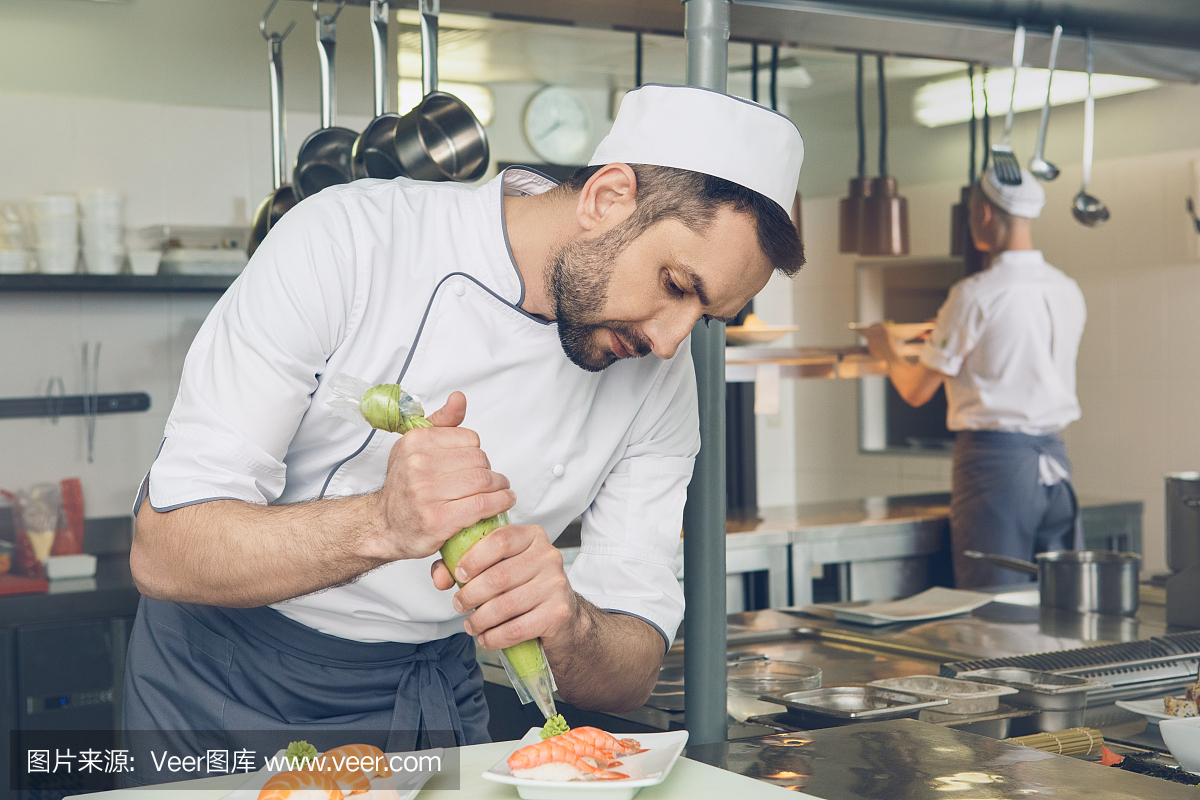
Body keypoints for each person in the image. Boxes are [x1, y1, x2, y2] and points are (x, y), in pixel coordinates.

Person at [122, 84, 805, 772]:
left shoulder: (662, 377)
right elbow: (165, 549)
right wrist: (381, 524)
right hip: (226, 694)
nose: (669, 340)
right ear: (607, 198)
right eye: (676, 284)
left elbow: (630, 673)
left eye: (705, 316)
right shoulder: (351, 241)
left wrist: (568, 622)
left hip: (431, 698)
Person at [865, 167, 1086, 589]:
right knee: (1060, 603)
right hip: (1055, 467)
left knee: (992, 604)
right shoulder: (1066, 289)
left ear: (983, 214)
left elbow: (915, 390)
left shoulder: (975, 294)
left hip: (996, 468)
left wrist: (885, 348)